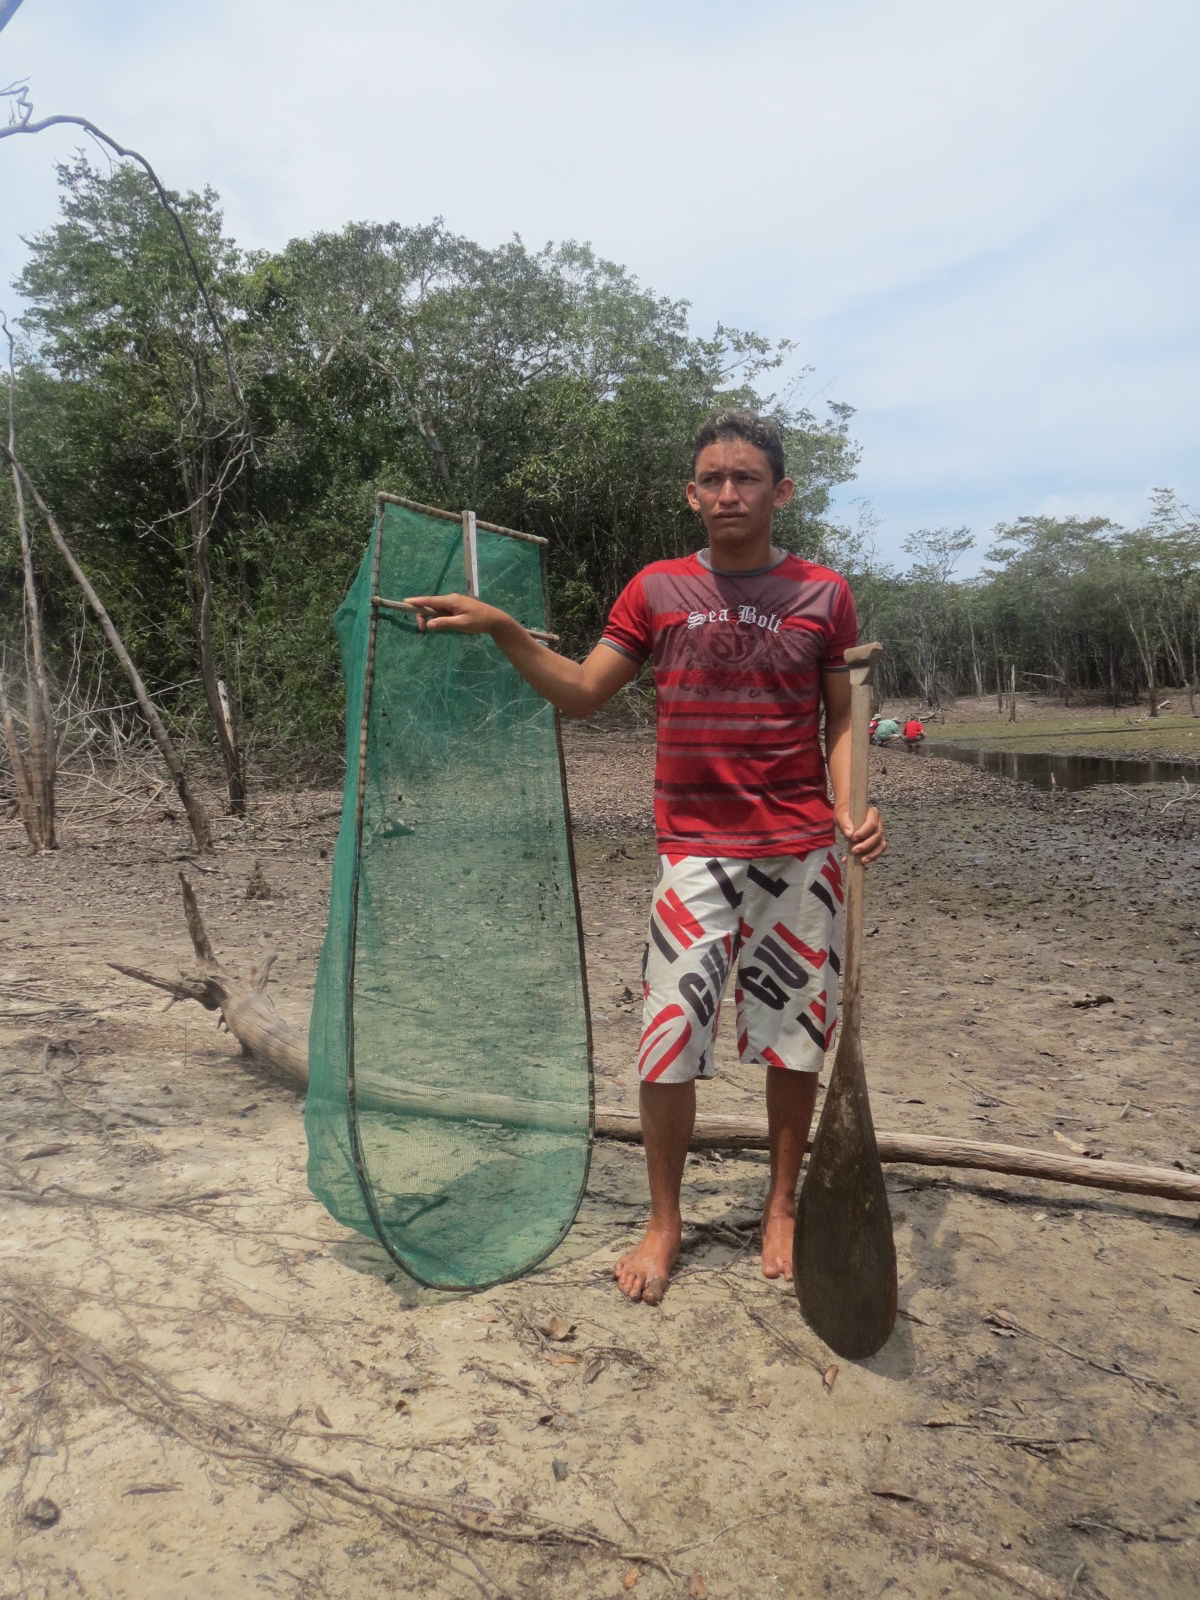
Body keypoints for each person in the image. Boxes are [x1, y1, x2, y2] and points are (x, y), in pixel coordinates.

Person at [404, 408, 886, 1305]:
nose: (729, 493)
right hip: (693, 852)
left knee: (792, 1040)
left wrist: (854, 808)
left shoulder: (824, 592)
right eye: (713, 478)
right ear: (691, 493)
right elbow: (584, 692)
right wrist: (509, 630)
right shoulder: (657, 588)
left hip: (798, 852)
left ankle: (782, 1203)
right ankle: (664, 1222)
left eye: (747, 478)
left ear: (781, 491)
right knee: (669, 1041)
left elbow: (843, 717)